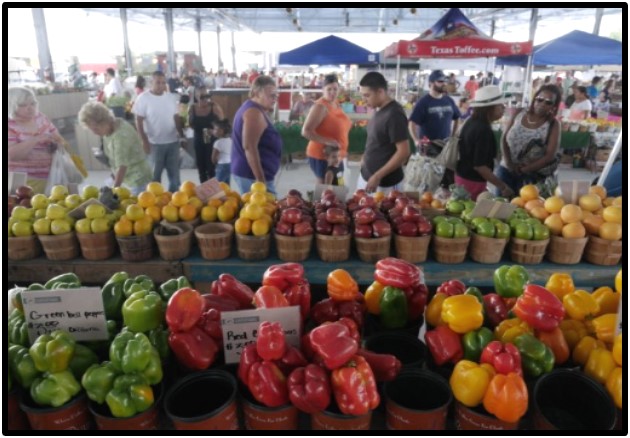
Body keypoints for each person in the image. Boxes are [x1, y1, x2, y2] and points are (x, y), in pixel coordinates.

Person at [496, 84, 563, 194]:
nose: (542, 104)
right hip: (505, 170)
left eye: (548, 102)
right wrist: (508, 163)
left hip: (532, 176)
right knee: (500, 206)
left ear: (554, 106)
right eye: (540, 99)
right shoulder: (519, 113)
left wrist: (524, 170)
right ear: (534, 99)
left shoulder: (553, 124)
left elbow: (550, 155)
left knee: (526, 208)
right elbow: (504, 138)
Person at [78, 101, 152, 195]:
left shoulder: (121, 135)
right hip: (127, 178)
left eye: (96, 128)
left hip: (138, 180)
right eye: (91, 129)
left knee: (136, 207)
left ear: (104, 121)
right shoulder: (111, 128)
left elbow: (122, 166)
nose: (94, 133)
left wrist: (113, 191)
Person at [455, 86, 514, 200]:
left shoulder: (471, 121)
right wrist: (502, 186)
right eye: (500, 105)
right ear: (490, 108)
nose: (503, 108)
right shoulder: (483, 130)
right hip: (472, 182)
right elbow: (480, 167)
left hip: (462, 177)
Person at [133, 71, 188, 193]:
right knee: (154, 177)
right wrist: (144, 141)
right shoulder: (143, 98)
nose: (161, 85)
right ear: (151, 82)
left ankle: (174, 200)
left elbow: (176, 117)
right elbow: (139, 120)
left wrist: (182, 136)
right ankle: (154, 203)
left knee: (174, 176)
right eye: (158, 82)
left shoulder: (170, 97)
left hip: (173, 142)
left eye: (163, 82)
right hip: (154, 144)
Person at [357, 71, 410, 193]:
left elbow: (403, 152)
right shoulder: (379, 109)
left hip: (385, 185)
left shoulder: (394, 114)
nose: (364, 100)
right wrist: (365, 157)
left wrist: (377, 176)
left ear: (380, 92)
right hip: (367, 177)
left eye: (367, 95)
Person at [8, 87, 66, 194]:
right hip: (23, 183)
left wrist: (54, 143)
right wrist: (36, 139)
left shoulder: (41, 118)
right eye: (23, 105)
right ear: (11, 106)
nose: (30, 108)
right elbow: (12, 155)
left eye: (32, 103)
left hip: (51, 176)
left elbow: (60, 140)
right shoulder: (9, 125)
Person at [231, 75, 283, 195]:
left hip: (252, 176)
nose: (274, 99)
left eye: (276, 96)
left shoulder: (256, 109)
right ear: (257, 93)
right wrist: (261, 181)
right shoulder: (253, 113)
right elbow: (249, 147)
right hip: (252, 177)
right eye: (271, 95)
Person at [408, 69, 461, 186]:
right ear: (430, 84)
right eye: (440, 81)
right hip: (428, 147)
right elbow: (412, 123)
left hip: (445, 146)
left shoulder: (449, 100)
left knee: (446, 178)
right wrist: (416, 140)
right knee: (428, 179)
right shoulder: (423, 102)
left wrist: (453, 135)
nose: (443, 84)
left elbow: (457, 117)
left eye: (444, 81)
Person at [302, 74, 352, 184]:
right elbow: (306, 131)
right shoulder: (320, 106)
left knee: (336, 188)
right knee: (324, 190)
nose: (332, 92)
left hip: (336, 155)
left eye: (335, 89)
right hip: (323, 155)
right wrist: (327, 141)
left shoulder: (335, 103)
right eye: (329, 89)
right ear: (323, 90)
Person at [188, 87, 225, 183]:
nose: (205, 99)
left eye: (207, 96)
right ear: (196, 96)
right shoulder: (192, 108)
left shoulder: (214, 107)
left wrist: (216, 131)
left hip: (211, 137)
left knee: (211, 167)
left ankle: (213, 193)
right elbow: (190, 124)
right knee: (201, 167)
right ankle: (204, 192)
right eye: (202, 96)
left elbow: (223, 124)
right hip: (198, 137)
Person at [212, 118, 233, 184]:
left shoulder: (218, 142)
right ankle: (228, 194)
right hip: (230, 164)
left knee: (218, 184)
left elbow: (213, 158)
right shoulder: (231, 140)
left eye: (215, 129)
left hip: (221, 165)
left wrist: (215, 163)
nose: (213, 131)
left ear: (221, 131)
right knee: (226, 183)